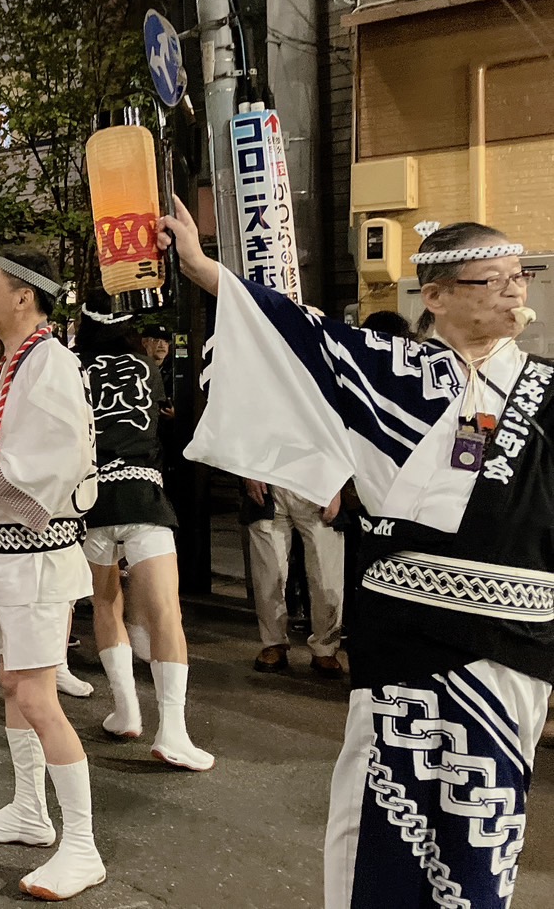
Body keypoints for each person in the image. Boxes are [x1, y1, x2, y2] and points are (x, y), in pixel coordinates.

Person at [161, 206, 553, 909]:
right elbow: (298, 331)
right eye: (487, 279)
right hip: (405, 632)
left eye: (516, 276)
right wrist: (202, 268)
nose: (510, 290)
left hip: (513, 641)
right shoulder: (391, 371)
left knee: (484, 819)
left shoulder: (549, 392)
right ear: (433, 294)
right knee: (380, 808)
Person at [0, 251, 106, 901]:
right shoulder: (20, 360)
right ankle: (29, 811)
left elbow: (59, 453)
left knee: (35, 694)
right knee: (12, 685)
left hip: (35, 554)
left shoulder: (50, 360)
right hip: (10, 552)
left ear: (24, 297)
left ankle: (82, 844)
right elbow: (10, 447)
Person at [76, 297, 213, 771]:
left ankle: (125, 709)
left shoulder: (75, 369)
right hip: (143, 494)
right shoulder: (144, 367)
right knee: (165, 615)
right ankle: (172, 729)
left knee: (105, 603)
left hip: (91, 500)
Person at [243, 479, 345, 676]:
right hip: (269, 480)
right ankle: (273, 643)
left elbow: (342, 447)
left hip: (317, 482)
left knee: (326, 574)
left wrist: (337, 484)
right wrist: (247, 475)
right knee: (268, 573)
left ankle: (325, 647)